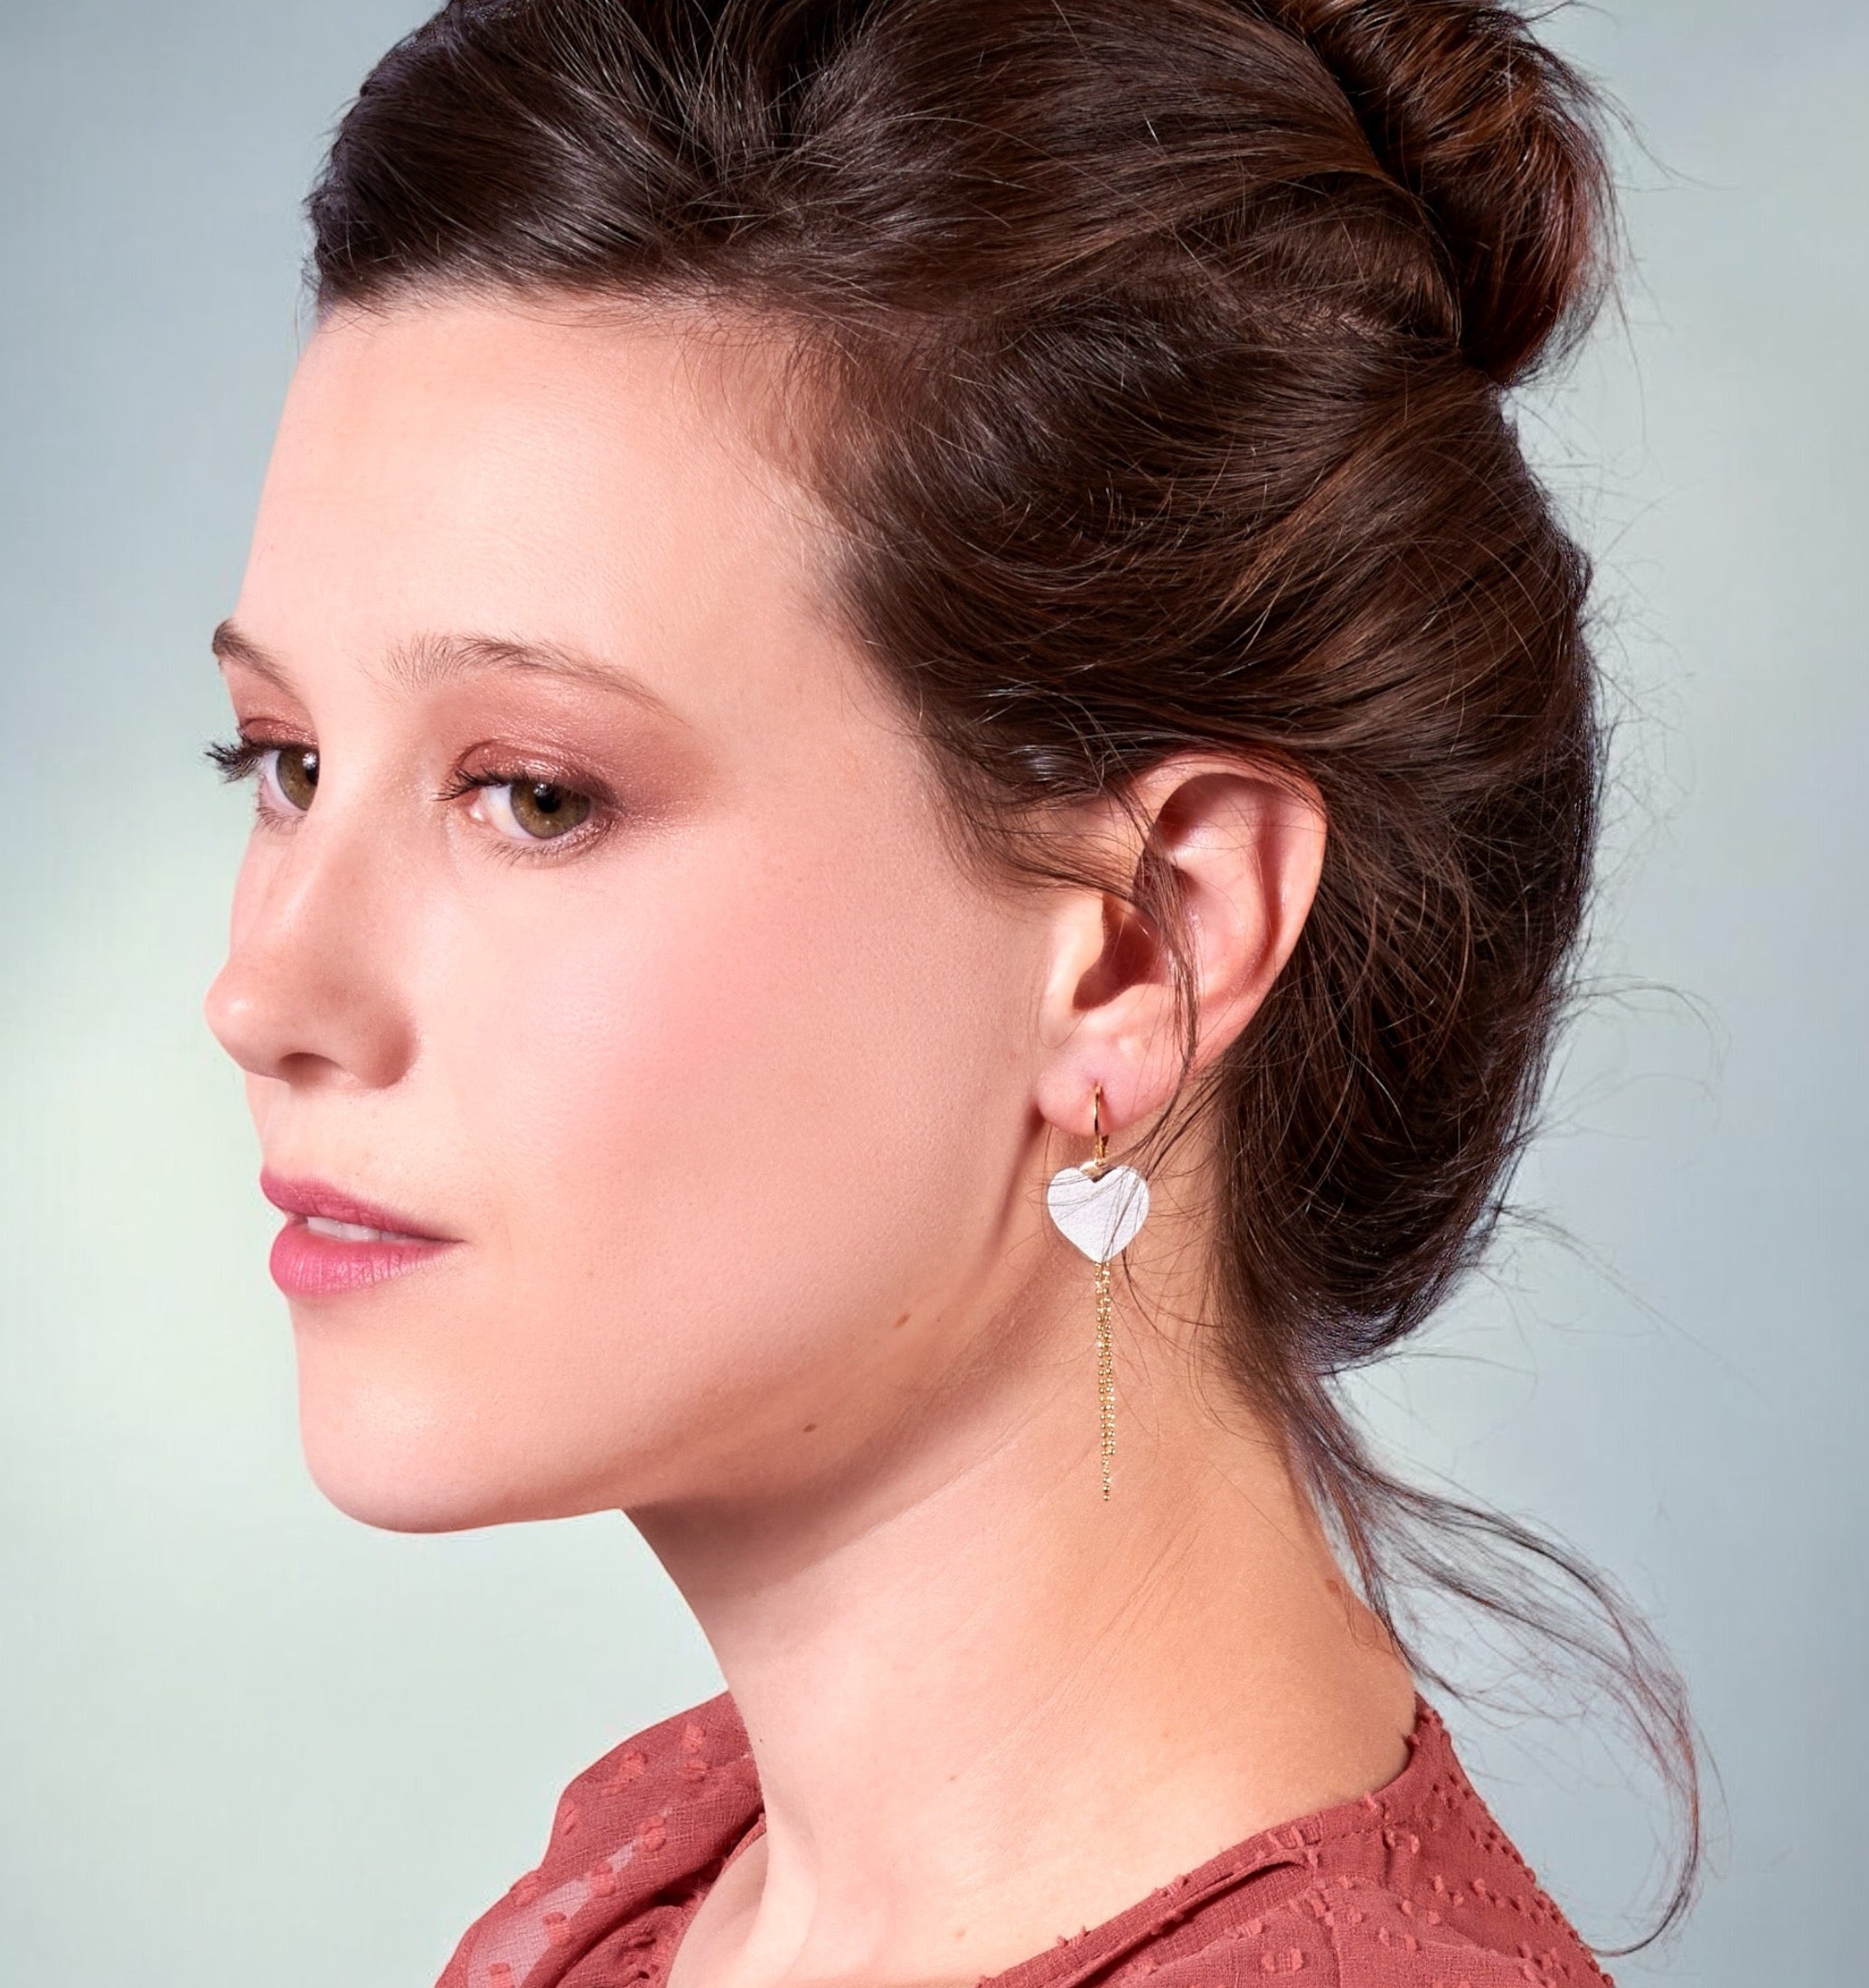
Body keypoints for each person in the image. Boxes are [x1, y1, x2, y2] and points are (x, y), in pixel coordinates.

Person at [201, 1, 1698, 1982]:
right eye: (285, 761)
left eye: (534, 794)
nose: (266, 986)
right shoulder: (665, 1879)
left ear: (1140, 941)